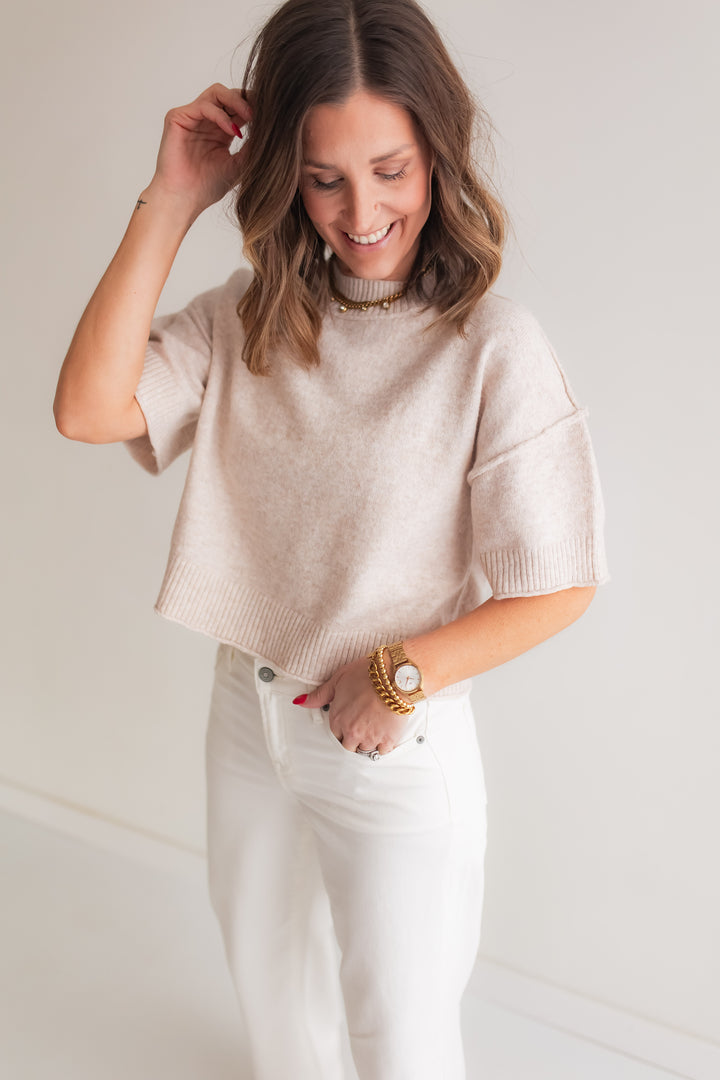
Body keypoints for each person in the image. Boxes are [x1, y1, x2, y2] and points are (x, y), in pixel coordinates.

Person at [53, 0, 610, 1077]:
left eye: (393, 169)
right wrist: (171, 203)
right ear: (282, 177)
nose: (363, 210)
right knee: (280, 1028)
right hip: (245, 709)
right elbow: (87, 408)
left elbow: (561, 582)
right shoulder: (249, 314)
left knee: (399, 1046)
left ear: (440, 153)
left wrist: (402, 674)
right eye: (324, 177)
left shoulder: (492, 346)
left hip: (392, 738)